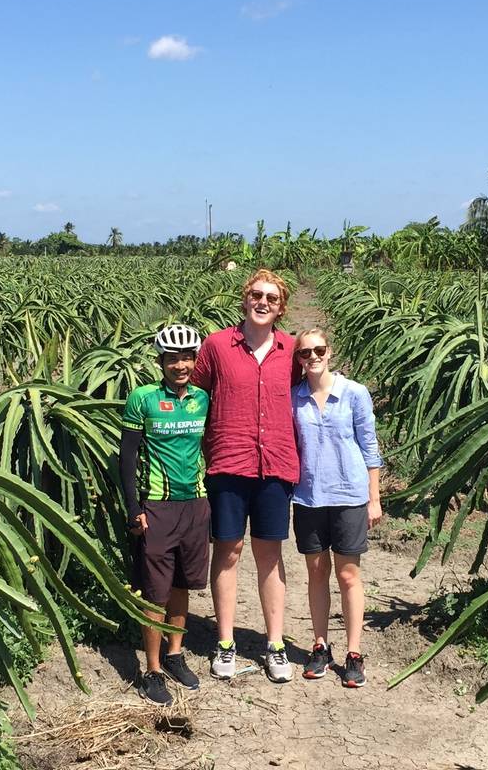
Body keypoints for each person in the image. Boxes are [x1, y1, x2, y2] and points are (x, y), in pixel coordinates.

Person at [189, 269, 300, 683]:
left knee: (270, 556)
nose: (263, 302)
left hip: (275, 464)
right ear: (244, 299)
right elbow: (195, 396)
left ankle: (274, 645)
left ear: (281, 307)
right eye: (256, 294)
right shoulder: (217, 345)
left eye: (272, 298)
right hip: (228, 463)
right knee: (229, 552)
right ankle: (225, 643)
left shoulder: (292, 350)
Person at [119, 324, 211, 705]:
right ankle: (153, 670)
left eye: (187, 357)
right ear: (160, 361)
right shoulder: (143, 398)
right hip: (156, 506)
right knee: (154, 592)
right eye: (172, 358)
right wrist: (133, 507)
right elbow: (127, 457)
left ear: (194, 360)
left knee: (182, 585)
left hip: (195, 504)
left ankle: (175, 654)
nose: (180, 365)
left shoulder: (203, 399)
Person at [289, 328, 383, 688]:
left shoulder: (354, 393)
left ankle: (354, 651)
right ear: (298, 359)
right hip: (309, 496)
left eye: (319, 350)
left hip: (349, 495)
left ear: (330, 352)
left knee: (348, 576)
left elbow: (370, 447)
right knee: (316, 573)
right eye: (304, 353)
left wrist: (374, 498)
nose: (312, 357)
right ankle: (320, 645)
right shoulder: (295, 397)